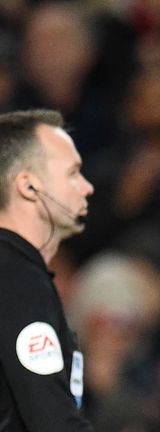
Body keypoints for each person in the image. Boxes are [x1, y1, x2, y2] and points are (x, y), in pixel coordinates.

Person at [0, 109, 95, 430]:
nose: (87, 187)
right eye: (73, 173)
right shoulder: (16, 280)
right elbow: (52, 421)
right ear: (28, 186)